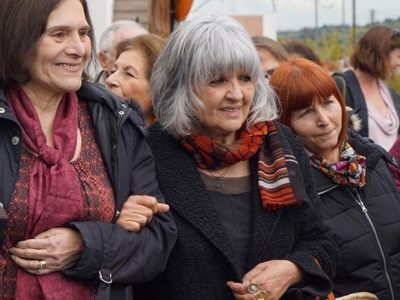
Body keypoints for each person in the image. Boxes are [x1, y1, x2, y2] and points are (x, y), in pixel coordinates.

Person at [136, 14, 337, 300]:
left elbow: (322, 241)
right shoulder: (150, 153)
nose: (236, 95)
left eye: (245, 78)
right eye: (218, 81)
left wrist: (292, 269)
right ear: (181, 86)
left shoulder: (281, 145)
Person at [0, 0, 177, 300]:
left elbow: (156, 241)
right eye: (59, 34)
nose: (79, 48)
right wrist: (113, 223)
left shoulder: (115, 121)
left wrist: (85, 245)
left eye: (83, 33)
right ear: (19, 41)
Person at [269, 58, 400, 300]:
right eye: (306, 112)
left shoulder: (372, 162)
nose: (324, 119)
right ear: (285, 123)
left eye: (328, 103)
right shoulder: (291, 189)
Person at [332, 25, 400, 151]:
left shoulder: (388, 92)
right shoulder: (341, 86)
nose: (399, 63)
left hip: (391, 170)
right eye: (398, 57)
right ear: (381, 55)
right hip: (362, 168)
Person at [106, 33, 165, 127]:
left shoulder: (171, 140)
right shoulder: (89, 132)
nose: (109, 80)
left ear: (157, 89)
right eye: (114, 70)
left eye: (129, 74)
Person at [95, 20, 148, 85]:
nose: (135, 59)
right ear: (104, 60)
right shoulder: (87, 94)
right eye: (123, 51)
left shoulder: (155, 91)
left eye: (142, 52)